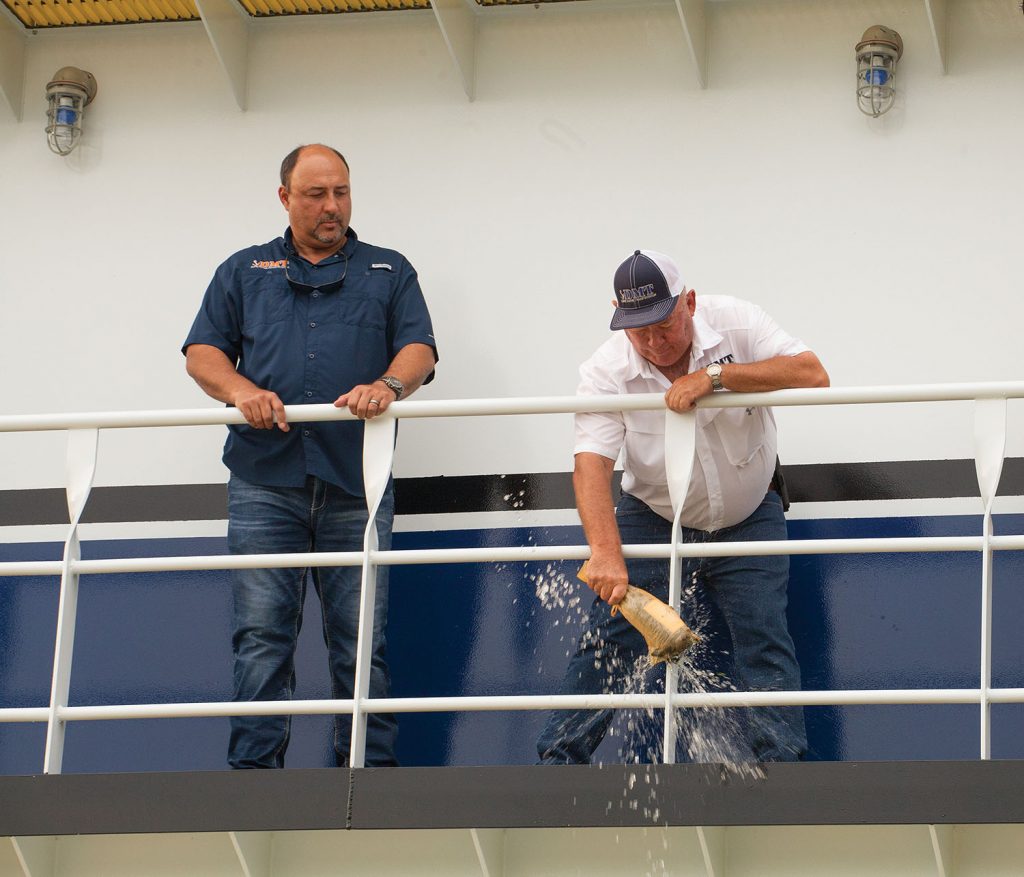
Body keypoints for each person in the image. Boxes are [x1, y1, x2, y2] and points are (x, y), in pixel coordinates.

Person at [182, 144, 438, 768]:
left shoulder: (389, 270)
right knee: (262, 639)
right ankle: (255, 782)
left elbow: (420, 350)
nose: (332, 207)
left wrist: (389, 387)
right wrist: (243, 391)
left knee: (361, 640)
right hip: (264, 480)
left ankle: (367, 777)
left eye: (341, 193)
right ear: (285, 197)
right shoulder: (243, 271)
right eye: (317, 194)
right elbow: (201, 354)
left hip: (357, 481)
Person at [537, 249, 828, 764]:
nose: (653, 343)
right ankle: (557, 767)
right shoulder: (605, 370)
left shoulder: (737, 321)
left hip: (749, 513)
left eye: (664, 325)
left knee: (765, 639)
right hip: (654, 513)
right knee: (610, 641)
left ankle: (786, 776)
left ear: (689, 302)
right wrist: (605, 554)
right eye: (638, 331)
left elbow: (811, 373)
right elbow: (591, 465)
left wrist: (716, 378)